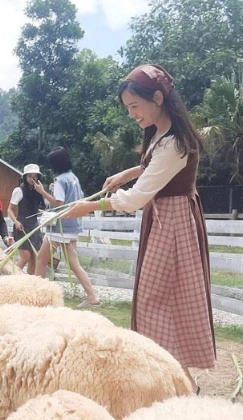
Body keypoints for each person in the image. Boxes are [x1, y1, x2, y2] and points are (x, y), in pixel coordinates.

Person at [61, 64, 215, 392]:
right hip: (163, 221)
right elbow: (152, 166)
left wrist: (87, 207)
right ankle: (177, 384)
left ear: (158, 97)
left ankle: (183, 386)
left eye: (135, 107)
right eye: (127, 108)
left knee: (157, 302)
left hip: (173, 225)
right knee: (156, 302)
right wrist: (127, 173)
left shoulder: (176, 142)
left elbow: (136, 199)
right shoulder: (161, 131)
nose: (132, 115)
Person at [33, 147, 99, 307]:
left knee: (41, 260)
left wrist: (42, 192)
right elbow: (75, 197)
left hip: (59, 227)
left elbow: (59, 203)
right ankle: (92, 297)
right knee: (74, 264)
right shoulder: (73, 178)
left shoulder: (60, 180)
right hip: (73, 225)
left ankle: (36, 296)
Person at [7, 164, 45, 274]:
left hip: (34, 225)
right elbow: (10, 209)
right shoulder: (19, 190)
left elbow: (35, 209)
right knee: (25, 257)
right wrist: (16, 221)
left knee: (34, 257)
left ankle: (30, 281)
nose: (32, 179)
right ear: (25, 177)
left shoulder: (38, 190)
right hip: (22, 225)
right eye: (30, 176)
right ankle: (12, 278)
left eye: (35, 177)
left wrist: (44, 213)